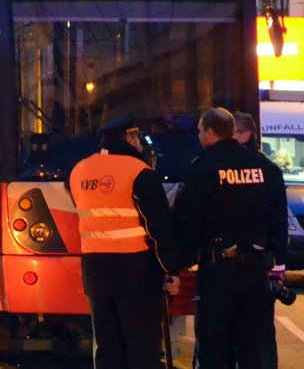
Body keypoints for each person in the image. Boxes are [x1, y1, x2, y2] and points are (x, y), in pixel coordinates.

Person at [172, 107, 287, 369]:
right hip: (257, 271)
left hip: (218, 272)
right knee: (254, 346)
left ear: (210, 132)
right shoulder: (266, 168)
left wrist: (179, 262)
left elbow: (189, 221)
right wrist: (279, 263)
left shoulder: (203, 168)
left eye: (200, 130)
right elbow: (279, 220)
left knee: (214, 346)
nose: (199, 136)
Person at [68, 116, 182, 369]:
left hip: (96, 275)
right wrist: (170, 270)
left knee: (108, 348)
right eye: (136, 137)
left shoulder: (79, 171)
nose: (139, 142)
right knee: (142, 348)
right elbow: (158, 229)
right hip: (136, 274)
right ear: (127, 139)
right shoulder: (139, 172)